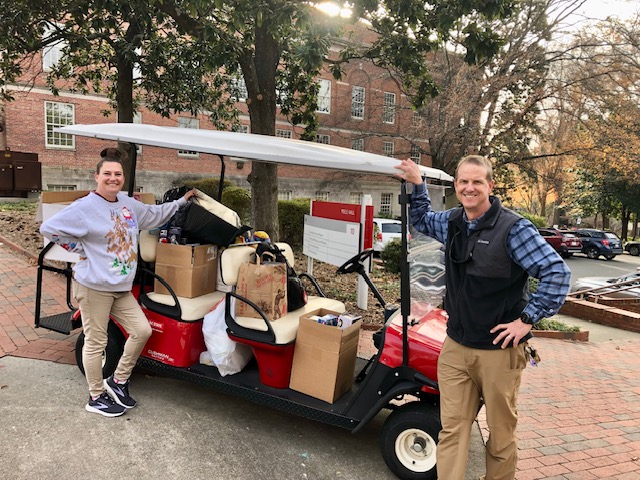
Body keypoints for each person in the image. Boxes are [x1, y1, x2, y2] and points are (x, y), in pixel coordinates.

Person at [395, 155, 570, 480]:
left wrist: (527, 320)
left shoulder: (513, 229)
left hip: (499, 354)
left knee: (501, 436)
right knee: (452, 431)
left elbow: (557, 273)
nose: (469, 188)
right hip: (457, 348)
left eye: (477, 182)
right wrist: (418, 185)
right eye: (463, 182)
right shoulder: (452, 221)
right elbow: (421, 220)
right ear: (457, 186)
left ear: (490, 185)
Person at [40, 147, 197, 418]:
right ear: (97, 177)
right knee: (96, 342)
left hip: (120, 288)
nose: (113, 178)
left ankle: (118, 381)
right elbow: (49, 228)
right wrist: (80, 249)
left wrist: (181, 202)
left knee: (142, 331)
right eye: (107, 174)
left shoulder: (127, 204)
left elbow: (154, 214)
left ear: (122, 178)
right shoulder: (85, 207)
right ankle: (96, 396)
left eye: (117, 174)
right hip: (94, 287)